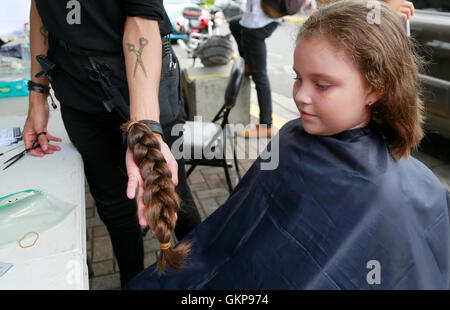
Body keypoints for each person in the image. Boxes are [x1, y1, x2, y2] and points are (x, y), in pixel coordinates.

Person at [125, 0, 450, 289]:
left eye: (322, 85)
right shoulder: (294, 135)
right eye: (297, 78)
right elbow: (240, 227)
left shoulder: (395, 194)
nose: (300, 96)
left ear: (375, 88)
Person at [25, 0, 201, 288]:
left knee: (170, 191)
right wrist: (38, 94)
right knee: (112, 205)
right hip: (76, 88)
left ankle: (211, 274)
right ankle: (130, 281)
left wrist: (146, 131)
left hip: (142, 75)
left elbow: (142, 21)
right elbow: (40, 7)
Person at [229, 0, 282, 138]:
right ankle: (247, 63)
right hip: (258, 19)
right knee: (235, 24)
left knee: (260, 77)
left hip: (257, 24)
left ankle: (266, 125)